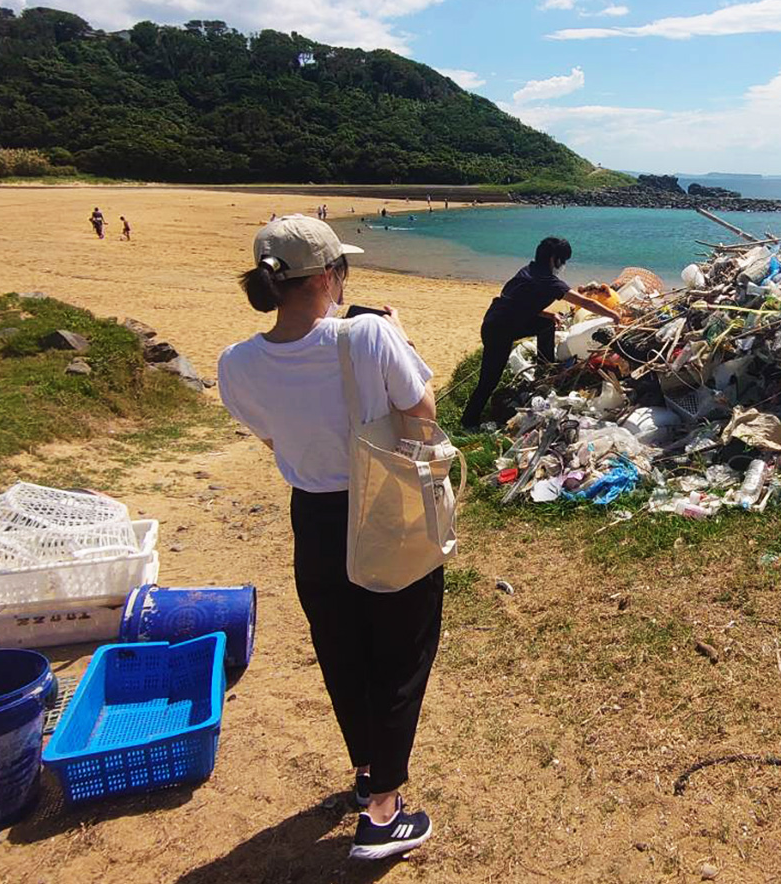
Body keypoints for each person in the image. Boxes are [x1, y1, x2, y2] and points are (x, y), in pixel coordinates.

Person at [216, 214, 442, 861]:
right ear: (329, 277)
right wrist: (400, 335)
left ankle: (369, 771)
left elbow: (272, 440)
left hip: (313, 519)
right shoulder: (369, 335)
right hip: (385, 512)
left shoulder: (237, 365)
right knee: (401, 654)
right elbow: (421, 414)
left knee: (344, 655)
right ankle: (382, 815)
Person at [460, 236, 621, 429]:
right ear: (554, 259)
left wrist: (546, 314)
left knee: (546, 325)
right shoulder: (549, 282)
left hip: (500, 320)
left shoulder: (528, 271)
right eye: (563, 260)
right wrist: (614, 315)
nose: (563, 265)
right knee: (489, 379)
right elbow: (587, 303)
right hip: (500, 330)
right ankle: (469, 421)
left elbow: (518, 302)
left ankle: (544, 368)